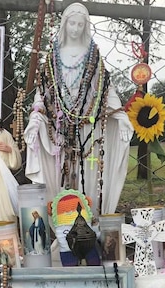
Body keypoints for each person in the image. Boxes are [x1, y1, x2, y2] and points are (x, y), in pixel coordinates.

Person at [24, 2, 132, 217]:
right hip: (59, 127)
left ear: (86, 26)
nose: (75, 28)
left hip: (87, 127)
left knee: (89, 176)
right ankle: (63, 226)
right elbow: (44, 88)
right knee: (61, 176)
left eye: (80, 24)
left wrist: (120, 115)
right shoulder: (54, 56)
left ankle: (89, 225)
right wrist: (35, 117)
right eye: (72, 23)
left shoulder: (92, 55)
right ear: (65, 24)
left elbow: (104, 87)